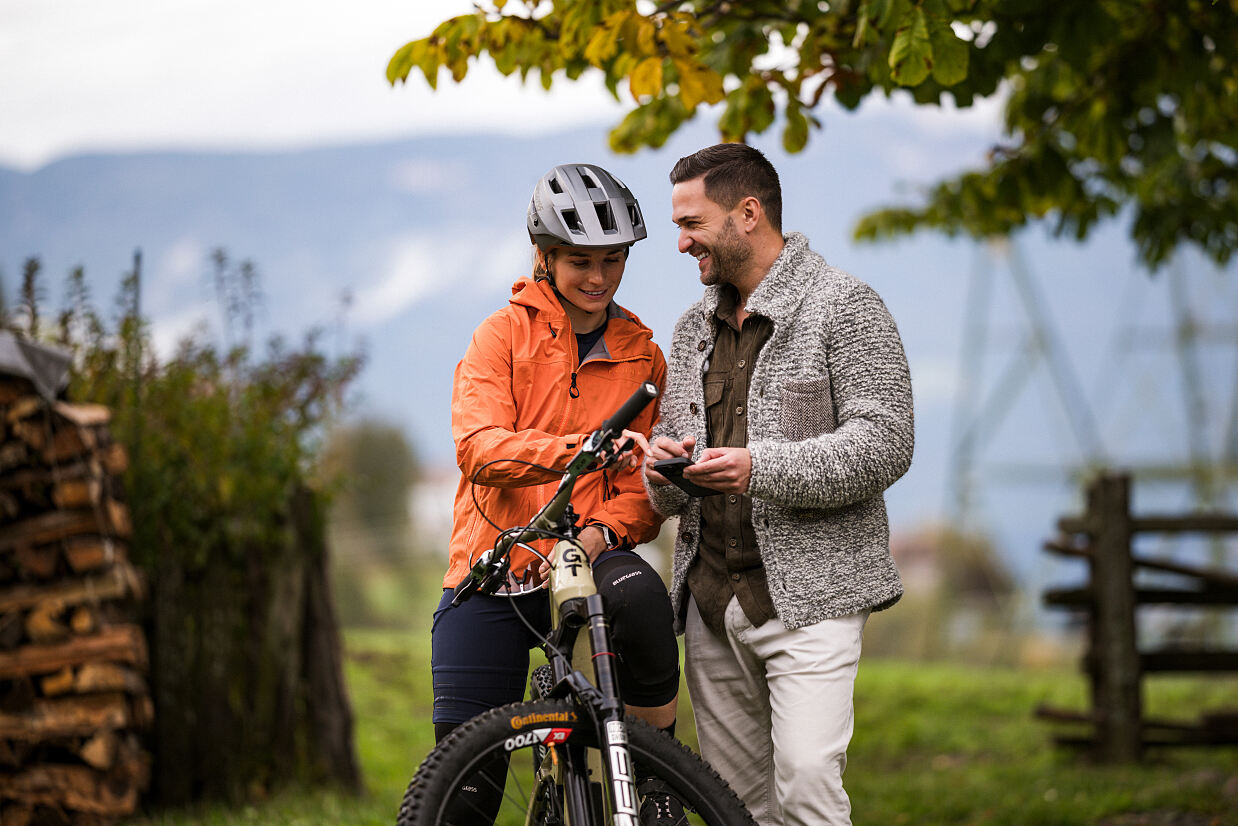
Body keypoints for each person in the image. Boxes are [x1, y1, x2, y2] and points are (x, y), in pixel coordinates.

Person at [640, 143, 914, 826]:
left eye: (692, 223)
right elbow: (674, 495)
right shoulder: (690, 329)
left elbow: (886, 443)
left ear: (748, 214)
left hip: (813, 603)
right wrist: (663, 470)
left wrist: (759, 467)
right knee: (735, 809)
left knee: (807, 785)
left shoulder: (846, 307)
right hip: (710, 605)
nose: (679, 243)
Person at [431, 163, 683, 824]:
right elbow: (478, 448)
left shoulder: (642, 354)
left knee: (643, 597)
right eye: (580, 261)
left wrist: (596, 534)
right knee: (462, 794)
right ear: (544, 257)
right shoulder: (500, 336)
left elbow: (641, 490)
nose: (598, 278)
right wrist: (581, 450)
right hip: (498, 563)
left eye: (614, 260)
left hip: (590, 553)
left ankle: (658, 788)